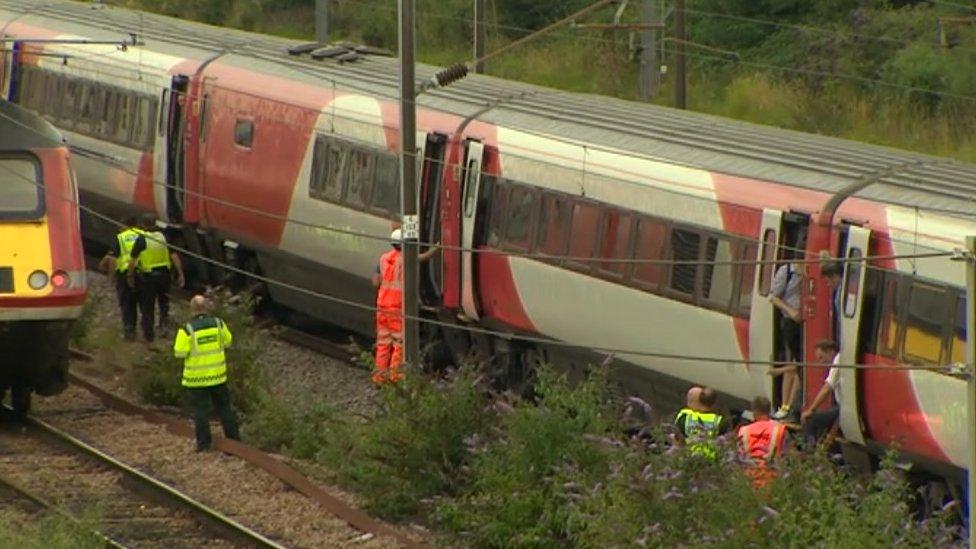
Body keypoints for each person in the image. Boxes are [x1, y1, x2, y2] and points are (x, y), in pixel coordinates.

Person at [370, 229, 439, 385]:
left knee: (383, 343)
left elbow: (375, 282)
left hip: (381, 307)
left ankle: (379, 378)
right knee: (399, 344)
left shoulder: (383, 258)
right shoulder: (406, 259)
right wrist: (436, 249)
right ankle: (395, 378)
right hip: (396, 308)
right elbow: (424, 257)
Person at [173, 295, 239, 452]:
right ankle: (234, 441)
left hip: (197, 380)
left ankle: (203, 445)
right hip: (218, 376)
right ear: (206, 308)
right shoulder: (218, 324)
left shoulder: (187, 329)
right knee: (224, 408)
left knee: (201, 411)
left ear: (192, 310)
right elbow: (228, 342)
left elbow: (179, 353)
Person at [128, 214, 185, 341]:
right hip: (164, 276)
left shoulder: (142, 240)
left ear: (143, 225)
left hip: (148, 278)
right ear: (155, 223)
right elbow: (174, 255)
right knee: (164, 303)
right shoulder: (164, 237)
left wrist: (130, 276)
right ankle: (164, 327)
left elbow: (132, 261)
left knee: (147, 306)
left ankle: (149, 335)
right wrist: (180, 273)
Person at [769, 256, 804, 420]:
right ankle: (785, 405)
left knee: (800, 365)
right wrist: (791, 311)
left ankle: (791, 405)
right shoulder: (787, 271)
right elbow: (773, 297)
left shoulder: (809, 272)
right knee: (793, 363)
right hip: (791, 322)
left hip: (807, 323)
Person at [98, 217, 142, 341]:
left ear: (124, 225)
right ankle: (148, 333)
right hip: (143, 273)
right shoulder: (144, 236)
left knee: (127, 304)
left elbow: (113, 259)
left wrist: (111, 278)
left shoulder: (121, 237)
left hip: (125, 274)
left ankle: (129, 331)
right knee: (144, 305)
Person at [737, 396, 788, 488]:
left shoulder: (744, 431)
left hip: (749, 480)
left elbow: (740, 458)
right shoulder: (780, 430)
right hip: (772, 480)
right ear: (768, 411)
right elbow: (786, 457)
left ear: (754, 412)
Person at [800, 340, 841, 449]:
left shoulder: (839, 360)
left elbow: (827, 387)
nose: (821, 363)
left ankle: (809, 451)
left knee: (810, 419)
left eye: (822, 358)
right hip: (840, 408)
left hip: (843, 410)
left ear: (831, 352)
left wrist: (811, 410)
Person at [673, 386, 730, 459]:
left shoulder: (684, 417)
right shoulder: (719, 421)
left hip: (687, 459)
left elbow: (677, 439)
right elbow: (724, 444)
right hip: (711, 462)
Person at [821, 261, 843, 344]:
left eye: (828, 281)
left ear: (834, 276)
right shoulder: (839, 290)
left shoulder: (842, 292)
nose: (828, 285)